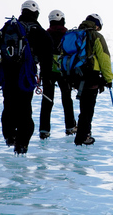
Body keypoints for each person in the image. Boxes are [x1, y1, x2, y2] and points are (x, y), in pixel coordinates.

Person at [0, 0, 53, 154]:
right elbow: (46, 59)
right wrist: (46, 78)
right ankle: (22, 143)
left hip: (8, 75)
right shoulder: (40, 32)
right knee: (24, 109)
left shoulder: (9, 28)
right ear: (36, 13)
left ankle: (9, 135)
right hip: (26, 76)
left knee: (8, 105)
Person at [74, 14, 113, 145]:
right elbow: (104, 58)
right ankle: (82, 136)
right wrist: (108, 78)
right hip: (91, 76)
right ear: (96, 25)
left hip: (76, 75)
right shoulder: (96, 36)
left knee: (83, 108)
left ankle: (84, 132)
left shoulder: (76, 33)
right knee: (88, 109)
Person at [39, 10, 77, 139]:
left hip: (48, 72)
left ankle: (44, 129)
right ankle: (70, 126)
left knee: (47, 100)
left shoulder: (44, 35)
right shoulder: (67, 35)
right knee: (67, 99)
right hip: (64, 71)